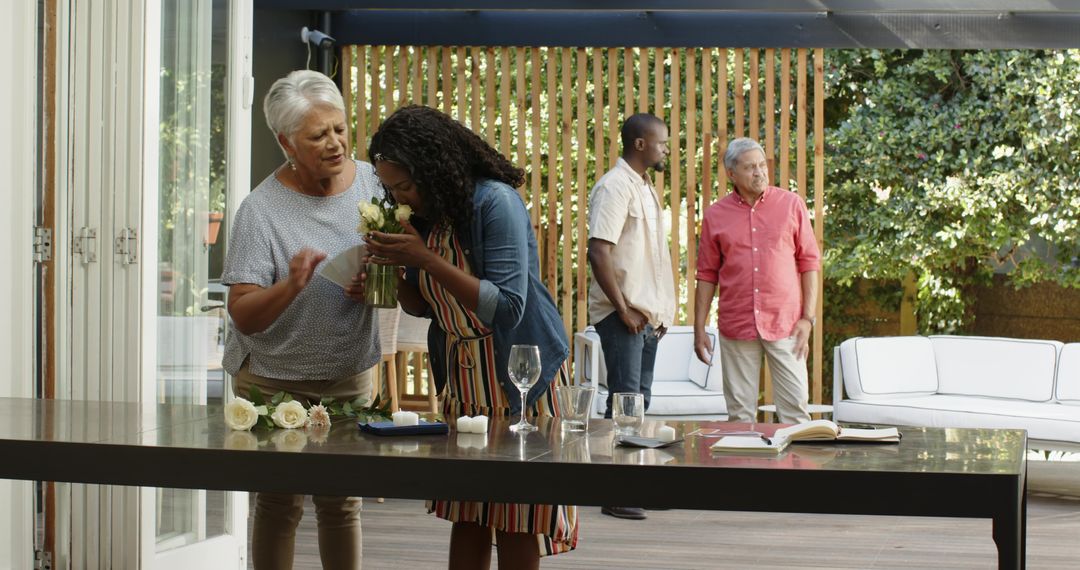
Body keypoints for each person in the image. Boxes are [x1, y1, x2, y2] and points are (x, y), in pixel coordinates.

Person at [364, 105, 578, 570]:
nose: (400, 196)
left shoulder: (493, 202)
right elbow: (423, 307)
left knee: (517, 512)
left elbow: (508, 306)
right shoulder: (427, 216)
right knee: (469, 512)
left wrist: (424, 260)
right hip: (463, 378)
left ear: (435, 168)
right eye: (389, 188)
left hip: (518, 373)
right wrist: (392, 272)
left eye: (404, 186)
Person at [221, 69, 381, 570]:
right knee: (278, 503)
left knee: (341, 503)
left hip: (348, 371)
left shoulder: (375, 184)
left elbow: (399, 264)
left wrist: (373, 283)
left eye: (338, 128)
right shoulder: (260, 210)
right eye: (318, 135)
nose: (335, 143)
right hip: (272, 378)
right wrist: (291, 285)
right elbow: (243, 314)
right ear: (285, 141)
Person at [585, 113, 676, 521]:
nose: (666, 149)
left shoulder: (645, 188)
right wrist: (623, 310)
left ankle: (631, 483)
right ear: (639, 144)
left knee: (639, 400)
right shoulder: (613, 186)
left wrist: (657, 314)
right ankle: (614, 491)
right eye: (661, 142)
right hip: (623, 315)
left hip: (646, 318)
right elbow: (598, 251)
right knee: (624, 402)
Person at [693, 137, 821, 425]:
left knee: (796, 415)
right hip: (737, 324)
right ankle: (745, 471)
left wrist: (807, 319)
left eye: (762, 165)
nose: (759, 172)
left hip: (787, 325)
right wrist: (699, 328)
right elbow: (706, 274)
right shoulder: (715, 215)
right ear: (731, 174)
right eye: (750, 167)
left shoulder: (791, 205)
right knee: (740, 418)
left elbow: (810, 262)